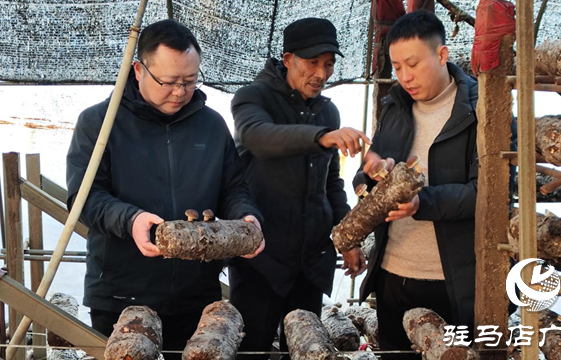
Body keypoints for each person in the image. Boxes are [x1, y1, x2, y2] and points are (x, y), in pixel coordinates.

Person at [66, 19, 264, 360]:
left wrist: (246, 217)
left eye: (190, 80)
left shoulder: (211, 125)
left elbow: (234, 188)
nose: (180, 91)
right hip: (121, 297)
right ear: (139, 70)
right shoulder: (100, 123)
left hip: (195, 297)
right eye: (169, 81)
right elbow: (86, 199)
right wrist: (132, 219)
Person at [229, 17, 370, 359]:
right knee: (252, 348)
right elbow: (257, 136)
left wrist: (348, 240)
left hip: (311, 259)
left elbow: (331, 183)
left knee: (307, 348)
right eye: (312, 63)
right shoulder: (253, 98)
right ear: (288, 59)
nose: (321, 74)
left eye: (329, 64)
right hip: (260, 259)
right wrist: (320, 137)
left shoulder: (327, 111)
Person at [353, 10, 478, 359]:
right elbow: (367, 173)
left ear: (441, 55)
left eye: (413, 64)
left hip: (451, 282)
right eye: (396, 67)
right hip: (393, 274)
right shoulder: (396, 105)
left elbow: (485, 194)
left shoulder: (480, 111)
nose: (404, 77)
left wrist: (423, 203)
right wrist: (372, 173)